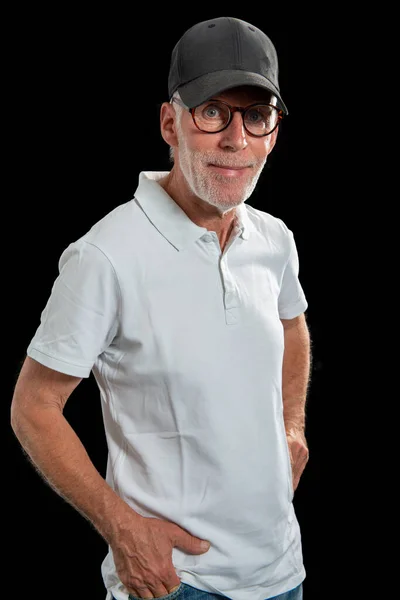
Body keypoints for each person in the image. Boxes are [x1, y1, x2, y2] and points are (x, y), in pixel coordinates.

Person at [10, 16, 311, 600]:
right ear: (170, 123)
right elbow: (34, 407)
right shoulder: (105, 256)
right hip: (174, 581)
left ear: (273, 131)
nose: (235, 139)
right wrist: (121, 528)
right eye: (213, 112)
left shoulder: (275, 239)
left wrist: (292, 426)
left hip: (281, 572)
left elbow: (291, 324)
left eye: (256, 115)